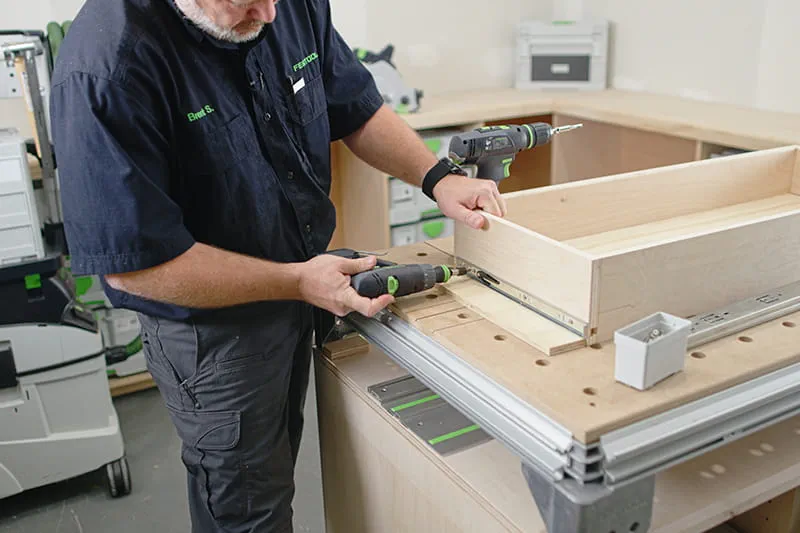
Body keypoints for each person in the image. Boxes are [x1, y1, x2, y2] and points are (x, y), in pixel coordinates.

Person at [50, 0, 507, 530]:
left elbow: (353, 106)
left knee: (275, 462)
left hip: (301, 290)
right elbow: (137, 266)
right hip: (212, 334)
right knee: (248, 508)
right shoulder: (107, 64)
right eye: (247, 1)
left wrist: (438, 177)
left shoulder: (284, 5)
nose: (270, 15)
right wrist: (295, 280)